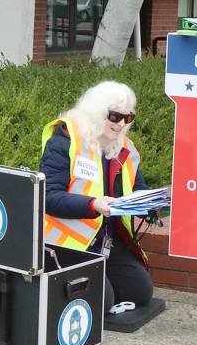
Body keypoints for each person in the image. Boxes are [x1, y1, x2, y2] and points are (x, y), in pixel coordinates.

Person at [39, 80, 153, 313]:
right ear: (97, 111)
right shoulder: (65, 139)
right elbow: (48, 197)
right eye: (115, 116)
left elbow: (138, 187)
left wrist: (151, 204)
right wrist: (94, 204)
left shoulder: (125, 148)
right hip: (66, 244)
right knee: (102, 302)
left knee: (140, 292)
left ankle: (97, 278)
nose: (121, 124)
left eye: (128, 118)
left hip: (106, 241)